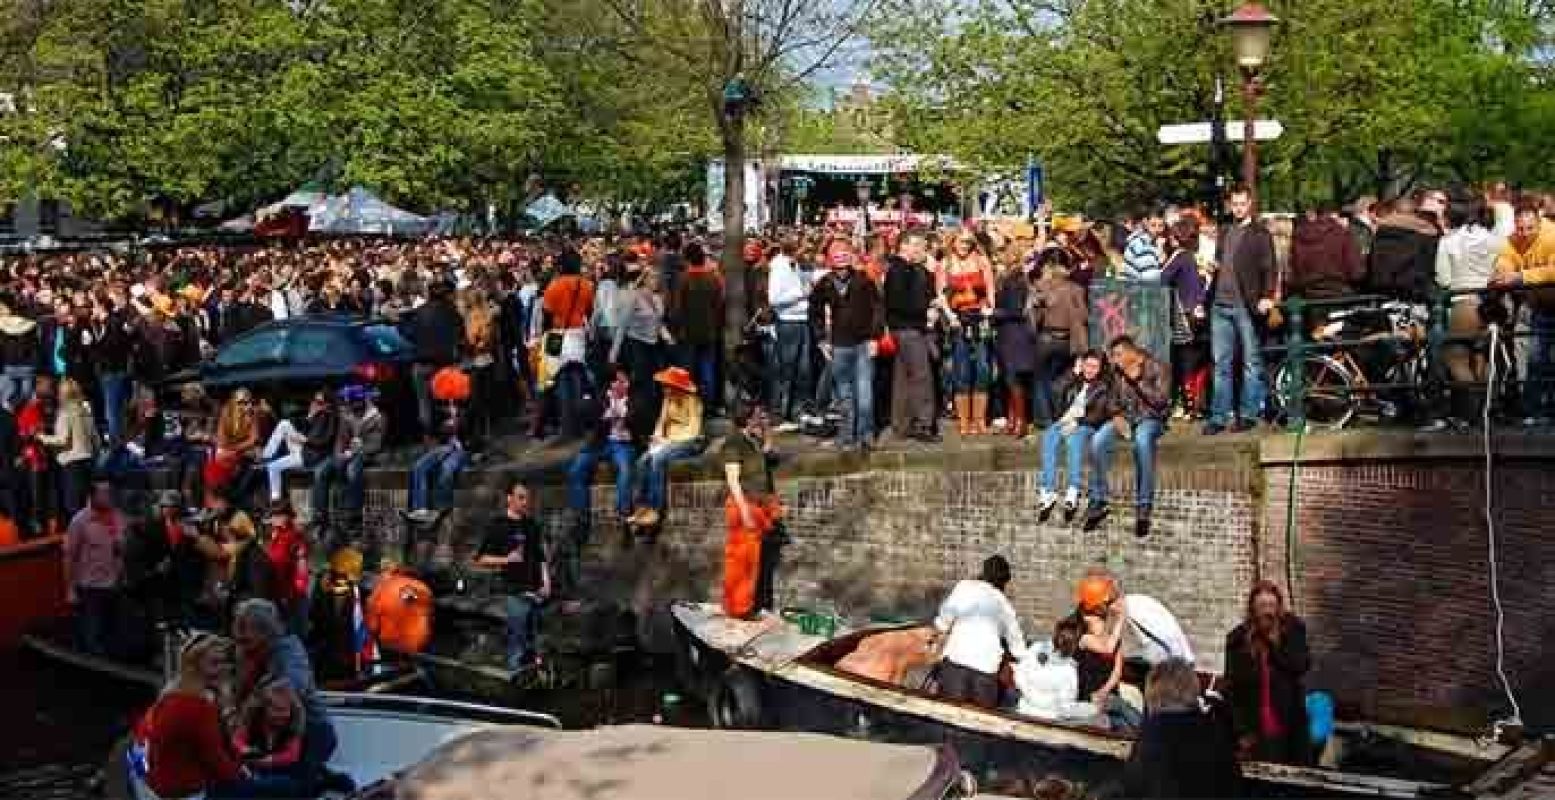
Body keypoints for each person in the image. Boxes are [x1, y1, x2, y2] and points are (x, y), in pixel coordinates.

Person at [232, 598, 349, 794]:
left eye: (245, 633)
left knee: (292, 785)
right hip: (270, 732)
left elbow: (295, 684)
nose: (239, 637)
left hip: (311, 732)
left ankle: (320, 781)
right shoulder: (246, 654)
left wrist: (262, 695)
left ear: (265, 632)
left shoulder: (289, 652)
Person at [140, 634, 250, 799]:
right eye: (214, 663)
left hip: (162, 782)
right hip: (183, 790)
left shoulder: (172, 692)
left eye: (224, 662)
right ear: (194, 666)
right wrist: (242, 774)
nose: (222, 669)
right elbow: (216, 759)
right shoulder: (197, 705)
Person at [1204, 186, 1276, 435]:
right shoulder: (1225, 231)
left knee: (1250, 362)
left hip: (1245, 304)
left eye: (1242, 204)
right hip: (1220, 304)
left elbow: (1269, 267)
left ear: (1250, 204)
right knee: (1220, 363)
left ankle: (1248, 413)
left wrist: (1267, 296)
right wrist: (1214, 267)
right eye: (1234, 204)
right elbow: (1223, 261)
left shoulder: (1260, 234)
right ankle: (1219, 416)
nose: (1238, 208)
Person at [1429, 195, 1504, 429]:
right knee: (1484, 356)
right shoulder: (1495, 239)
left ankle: (1473, 410)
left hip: (1464, 302)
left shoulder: (1449, 241)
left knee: (1455, 357)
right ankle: (1489, 408)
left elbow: (1444, 278)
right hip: (1492, 303)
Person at [1122, 657, 1243, 798]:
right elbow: (1233, 784)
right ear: (1193, 689)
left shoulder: (1150, 734)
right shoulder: (1212, 730)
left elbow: (1132, 786)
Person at [1087, 336, 1169, 536]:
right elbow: (1111, 400)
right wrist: (1116, 416)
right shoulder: (1116, 373)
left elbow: (1161, 402)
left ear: (1131, 353)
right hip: (1125, 418)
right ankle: (1098, 499)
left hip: (1151, 419)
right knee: (1097, 441)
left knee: (1141, 441)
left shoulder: (1158, 367)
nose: (1114, 361)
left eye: (1117, 355)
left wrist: (1138, 381)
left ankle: (1144, 504)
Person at [1223, 581, 1311, 765]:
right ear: (1253, 609)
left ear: (1279, 607)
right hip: (1255, 726)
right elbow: (1232, 689)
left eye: (1271, 606)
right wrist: (1241, 732)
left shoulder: (1293, 630)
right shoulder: (1237, 640)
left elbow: (1300, 666)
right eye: (1262, 606)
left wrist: (1273, 645)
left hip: (1289, 723)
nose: (1267, 612)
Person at [808, 239, 885, 451]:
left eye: (844, 265)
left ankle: (866, 435)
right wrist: (821, 339)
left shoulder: (864, 280)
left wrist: (874, 338)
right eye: (837, 265)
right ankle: (846, 434)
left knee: (865, 392)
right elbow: (814, 312)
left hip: (863, 342)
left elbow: (878, 309)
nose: (841, 270)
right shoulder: (824, 283)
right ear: (831, 264)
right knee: (843, 394)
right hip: (839, 344)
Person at [1489, 201, 1555, 425]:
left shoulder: (1552, 236)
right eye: (1520, 228)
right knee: (1535, 360)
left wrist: (1520, 277)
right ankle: (1535, 410)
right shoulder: (1512, 239)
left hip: (1547, 302)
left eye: (1530, 228)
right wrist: (1502, 272)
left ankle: (1542, 408)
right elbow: (1505, 258)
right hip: (1539, 307)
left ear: (1539, 222)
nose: (1524, 234)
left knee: (1540, 358)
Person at [474, 481, 551, 672]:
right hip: (514, 592)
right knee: (517, 642)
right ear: (509, 499)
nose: (525, 502)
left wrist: (547, 582)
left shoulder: (532, 525)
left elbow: (541, 557)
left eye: (527, 498)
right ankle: (513, 679)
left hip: (537, 591)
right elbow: (481, 559)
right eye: (521, 497)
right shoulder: (498, 525)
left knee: (536, 643)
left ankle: (534, 682)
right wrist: (506, 559)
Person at [932, 554, 1026, 709]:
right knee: (982, 720)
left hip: (956, 664)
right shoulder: (1003, 604)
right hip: (985, 673)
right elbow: (1018, 646)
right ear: (1004, 581)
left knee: (949, 716)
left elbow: (943, 621)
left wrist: (941, 629)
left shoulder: (963, 587)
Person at [717, 403, 781, 619]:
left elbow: (768, 456)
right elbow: (733, 480)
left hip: (757, 506)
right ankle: (738, 609)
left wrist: (768, 432)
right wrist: (744, 510)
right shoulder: (734, 442)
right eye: (758, 416)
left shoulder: (752, 442)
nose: (761, 419)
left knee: (753, 561)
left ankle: (747, 606)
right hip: (742, 505)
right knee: (740, 560)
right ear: (747, 419)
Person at [1037, 351, 1111, 523]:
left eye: (1094, 367)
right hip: (1066, 420)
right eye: (1087, 365)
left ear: (1100, 369)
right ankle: (1048, 491)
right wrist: (1073, 373)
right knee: (1049, 436)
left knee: (1074, 439)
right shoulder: (1074, 379)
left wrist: (1077, 423)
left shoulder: (1103, 386)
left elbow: (1099, 413)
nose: (1090, 370)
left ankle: (1073, 488)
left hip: (1087, 424)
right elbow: (1055, 390)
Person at [627, 367, 705, 529]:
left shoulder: (693, 401)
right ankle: (641, 506)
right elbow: (661, 422)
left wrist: (668, 442)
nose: (665, 388)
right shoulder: (667, 399)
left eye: (668, 385)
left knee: (658, 459)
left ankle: (656, 509)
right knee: (642, 461)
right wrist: (656, 437)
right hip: (668, 440)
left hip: (690, 441)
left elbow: (694, 430)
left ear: (678, 387)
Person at [884, 231, 938, 442]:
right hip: (908, 328)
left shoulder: (912, 269)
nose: (921, 250)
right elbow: (899, 302)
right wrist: (925, 311)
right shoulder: (899, 269)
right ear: (904, 246)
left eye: (922, 246)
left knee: (903, 378)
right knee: (920, 376)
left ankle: (902, 424)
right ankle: (923, 424)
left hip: (905, 327)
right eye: (917, 245)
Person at [941, 231, 997, 435]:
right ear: (953, 242)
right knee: (962, 370)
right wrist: (949, 316)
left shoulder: (982, 261)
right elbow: (940, 294)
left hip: (980, 318)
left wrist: (989, 308)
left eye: (967, 242)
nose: (964, 245)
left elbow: (990, 288)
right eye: (960, 241)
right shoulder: (945, 264)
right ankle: (964, 420)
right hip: (958, 320)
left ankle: (980, 419)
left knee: (982, 368)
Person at [566, 368, 636, 530]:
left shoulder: (634, 400)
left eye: (625, 381)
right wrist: (605, 415)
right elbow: (583, 412)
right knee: (576, 470)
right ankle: (581, 517)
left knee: (625, 470)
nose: (623, 384)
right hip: (600, 443)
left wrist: (625, 418)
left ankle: (623, 513)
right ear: (612, 384)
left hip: (622, 444)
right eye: (619, 381)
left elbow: (641, 419)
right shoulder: (601, 398)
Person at [64, 478, 126, 656]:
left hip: (115, 584)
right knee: (93, 636)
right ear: (92, 497)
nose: (109, 496)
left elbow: (123, 547)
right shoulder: (79, 522)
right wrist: (70, 589)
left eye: (110, 492)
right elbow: (69, 557)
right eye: (104, 493)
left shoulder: (118, 516)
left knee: (114, 633)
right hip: (90, 587)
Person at [1029, 248, 1090, 428]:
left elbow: (1035, 318)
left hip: (1047, 338)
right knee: (1063, 380)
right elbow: (1084, 316)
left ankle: (1044, 419)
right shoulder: (1076, 289)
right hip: (1068, 341)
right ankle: (1060, 414)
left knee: (1041, 380)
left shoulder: (1041, 286)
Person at [311, 385, 384, 531]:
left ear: (362, 401)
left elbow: (375, 444)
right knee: (320, 470)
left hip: (366, 454)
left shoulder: (378, 417)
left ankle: (353, 515)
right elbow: (341, 439)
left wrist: (353, 453)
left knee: (352, 470)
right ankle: (320, 515)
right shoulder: (347, 415)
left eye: (353, 403)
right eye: (349, 403)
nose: (350, 407)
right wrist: (339, 454)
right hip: (347, 453)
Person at [1072, 578, 1140, 732]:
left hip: (1108, 697)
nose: (1112, 605)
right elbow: (1107, 649)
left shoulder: (1111, 635)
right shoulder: (1082, 636)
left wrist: (1104, 691)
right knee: (1122, 717)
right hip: (1088, 700)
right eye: (1108, 602)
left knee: (1123, 714)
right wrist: (1121, 619)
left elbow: (1117, 670)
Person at [541, 249, 596, 439]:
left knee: (555, 378)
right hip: (578, 335)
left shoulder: (553, 286)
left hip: (556, 336)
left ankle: (563, 423)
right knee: (580, 378)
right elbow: (590, 312)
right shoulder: (587, 285)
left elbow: (546, 316)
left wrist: (545, 337)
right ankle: (582, 421)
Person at [402, 279, 465, 435]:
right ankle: (452, 435)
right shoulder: (451, 312)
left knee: (424, 403)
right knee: (449, 402)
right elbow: (460, 334)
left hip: (422, 364)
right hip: (444, 363)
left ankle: (429, 436)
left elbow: (406, 333)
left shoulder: (419, 312)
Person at [668, 242, 725, 410]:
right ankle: (707, 406)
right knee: (707, 370)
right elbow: (719, 303)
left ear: (687, 259)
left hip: (687, 333)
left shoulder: (683, 279)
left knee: (687, 371)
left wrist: (675, 328)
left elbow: (677, 308)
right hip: (709, 331)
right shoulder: (713, 279)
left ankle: (687, 407)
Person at [767, 237, 814, 431]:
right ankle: (779, 413)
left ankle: (796, 411)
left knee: (802, 370)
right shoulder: (779, 267)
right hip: (788, 322)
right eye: (803, 247)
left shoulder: (794, 265)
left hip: (801, 320)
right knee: (786, 370)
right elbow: (774, 298)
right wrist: (802, 293)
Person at [259, 391, 337, 503]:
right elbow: (304, 429)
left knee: (272, 467)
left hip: (311, 456)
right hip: (304, 449)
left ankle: (276, 500)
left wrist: (306, 440)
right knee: (284, 423)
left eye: (319, 402)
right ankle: (266, 456)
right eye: (314, 401)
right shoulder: (317, 415)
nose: (314, 404)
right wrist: (310, 417)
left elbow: (326, 441)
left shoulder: (330, 417)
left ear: (327, 404)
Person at [38, 376, 97, 516]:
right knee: (86, 506)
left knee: (74, 506)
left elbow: (63, 440)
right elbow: (96, 438)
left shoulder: (65, 413)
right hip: (88, 461)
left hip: (72, 463)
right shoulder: (85, 410)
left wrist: (41, 437)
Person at [1288, 201, 1365, 301]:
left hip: (1309, 295)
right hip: (1339, 294)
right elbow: (1356, 272)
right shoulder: (1343, 234)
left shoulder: (1298, 235)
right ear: (1335, 215)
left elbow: (1293, 270)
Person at [264, 500, 310, 636]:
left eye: (279, 515)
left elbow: (302, 567)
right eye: (273, 515)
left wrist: (296, 592)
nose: (275, 518)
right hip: (277, 592)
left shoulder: (295, 537)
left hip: (291, 596)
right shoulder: (273, 536)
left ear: (288, 516)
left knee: (292, 634)